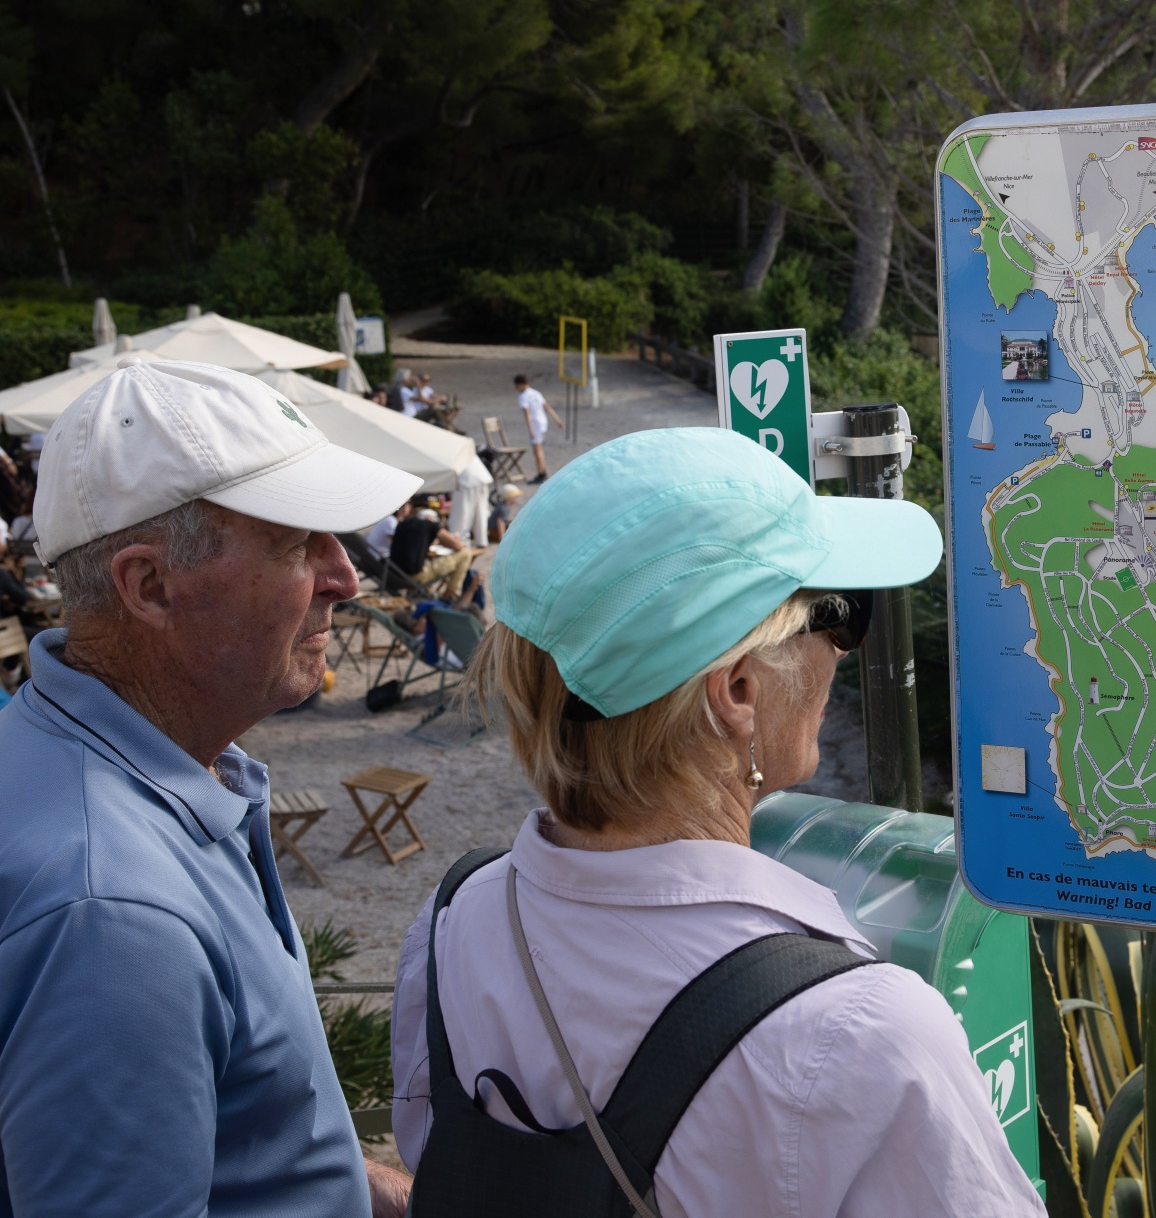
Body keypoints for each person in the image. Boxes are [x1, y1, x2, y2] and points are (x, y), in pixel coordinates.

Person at [388, 427, 1043, 1216]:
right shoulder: (861, 1034)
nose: (841, 651)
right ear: (737, 691)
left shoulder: (457, 921)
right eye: (837, 614)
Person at [0, 359, 423, 1218]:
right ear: (150, 587)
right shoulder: (110, 917)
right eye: (297, 541)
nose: (345, 576)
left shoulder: (65, 736)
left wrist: (367, 1194)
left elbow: (229, 1138)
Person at [388, 500, 476, 594]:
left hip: (394, 573)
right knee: (465, 553)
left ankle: (424, 591)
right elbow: (457, 545)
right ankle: (452, 592)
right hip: (415, 576)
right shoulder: (430, 525)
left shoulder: (402, 524)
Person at [514, 373, 563, 483]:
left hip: (535, 423)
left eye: (517, 386)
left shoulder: (523, 396)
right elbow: (547, 407)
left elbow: (527, 413)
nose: (516, 388)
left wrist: (531, 430)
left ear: (521, 384)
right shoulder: (536, 393)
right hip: (543, 421)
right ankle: (542, 471)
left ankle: (541, 473)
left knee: (537, 449)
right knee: (538, 448)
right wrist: (557, 420)